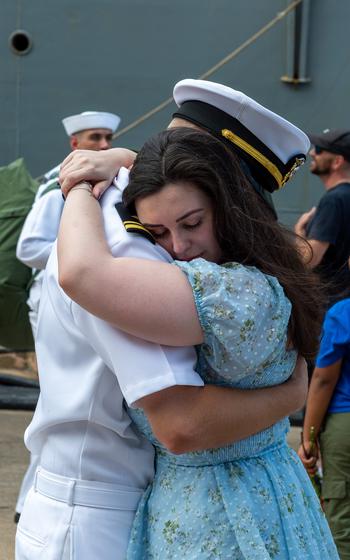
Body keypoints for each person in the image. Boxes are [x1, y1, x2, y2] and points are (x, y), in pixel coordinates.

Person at [15, 102, 306, 560]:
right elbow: (181, 424)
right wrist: (291, 397)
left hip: (120, 503)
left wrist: (83, 187)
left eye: (192, 223)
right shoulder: (141, 244)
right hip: (104, 511)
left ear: (224, 193)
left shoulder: (132, 240)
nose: (179, 246)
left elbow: (84, 272)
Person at [13, 110, 120, 522]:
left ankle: (30, 499)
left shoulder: (100, 181)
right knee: (62, 403)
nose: (104, 144)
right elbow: (29, 248)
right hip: (56, 310)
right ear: (75, 144)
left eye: (109, 136)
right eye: (95, 137)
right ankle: (28, 500)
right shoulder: (55, 189)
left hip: (83, 305)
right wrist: (81, 257)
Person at [298, 299, 350, 559]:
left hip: (345, 421)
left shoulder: (344, 313)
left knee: (344, 518)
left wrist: (308, 438)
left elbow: (324, 379)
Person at [294, 128, 350, 307]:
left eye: (318, 150)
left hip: (328, 307)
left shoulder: (333, 200)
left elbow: (308, 260)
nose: (312, 153)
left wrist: (299, 233)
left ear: (337, 162)